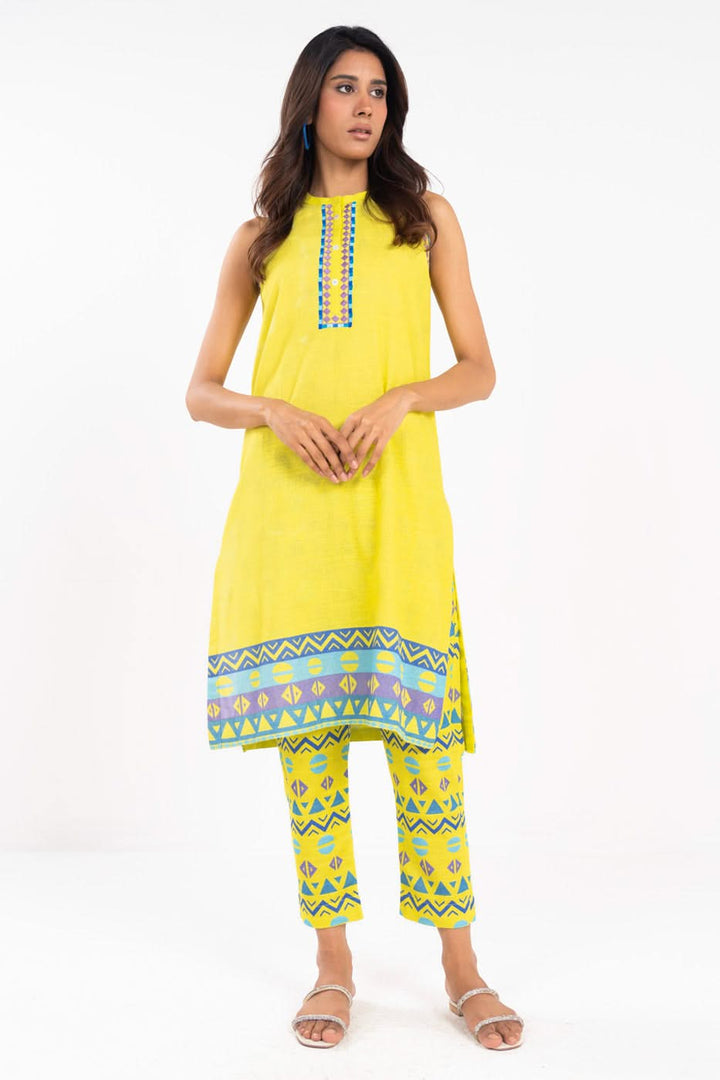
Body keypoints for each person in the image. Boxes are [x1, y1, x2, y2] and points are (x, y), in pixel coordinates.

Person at [185, 25, 524, 1052]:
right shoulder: (261, 240)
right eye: (345, 87)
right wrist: (272, 411)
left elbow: (479, 367)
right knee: (312, 751)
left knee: (427, 749)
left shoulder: (423, 221)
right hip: (291, 520)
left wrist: (404, 397)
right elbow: (201, 390)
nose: (366, 105)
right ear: (309, 103)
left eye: (380, 90)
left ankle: (461, 966)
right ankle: (332, 964)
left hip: (396, 515)